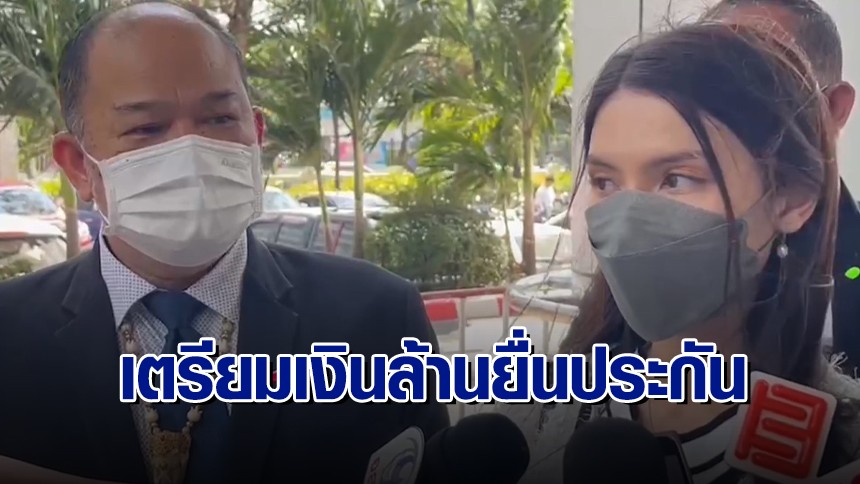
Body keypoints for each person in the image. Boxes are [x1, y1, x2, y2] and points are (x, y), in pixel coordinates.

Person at [0, 2, 448, 484]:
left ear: (257, 134)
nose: (192, 151)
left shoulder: (379, 318)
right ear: (77, 166)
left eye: (219, 118)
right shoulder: (9, 336)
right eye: (146, 128)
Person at [493, 22, 860, 484]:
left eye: (676, 179)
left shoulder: (844, 447)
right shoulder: (540, 414)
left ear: (790, 198)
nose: (627, 219)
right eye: (606, 182)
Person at [704, 0, 860, 380]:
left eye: (760, 83)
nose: (720, 114)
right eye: (705, 87)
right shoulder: (653, 249)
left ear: (833, 109)